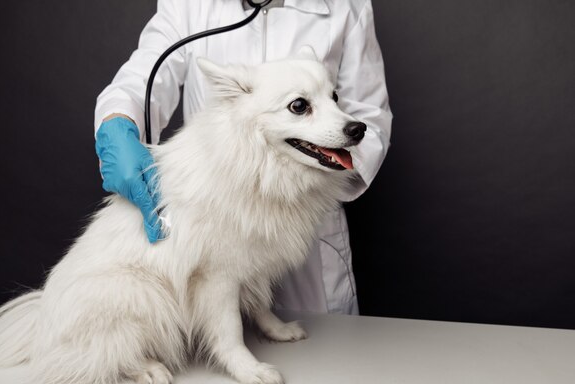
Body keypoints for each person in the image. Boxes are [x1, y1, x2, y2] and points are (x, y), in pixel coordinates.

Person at [94, 0, 392, 315]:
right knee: (216, 343)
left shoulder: (347, 6)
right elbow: (145, 74)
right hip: (217, 218)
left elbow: (368, 121)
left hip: (308, 240)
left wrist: (303, 177)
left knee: (323, 352)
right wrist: (119, 121)